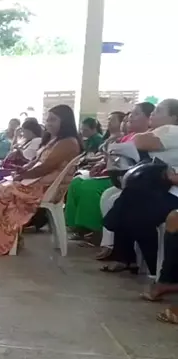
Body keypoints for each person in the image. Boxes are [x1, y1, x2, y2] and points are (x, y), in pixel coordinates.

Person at [0, 104, 82, 256]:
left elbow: (45, 167)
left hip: (44, 188)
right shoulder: (55, 140)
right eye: (48, 119)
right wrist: (22, 171)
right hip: (37, 182)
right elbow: (36, 161)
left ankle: (4, 242)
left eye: (53, 120)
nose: (48, 123)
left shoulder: (68, 143)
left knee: (0, 194)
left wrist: (23, 175)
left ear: (65, 121)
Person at [102, 99, 178, 275]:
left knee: (133, 210)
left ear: (174, 117)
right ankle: (135, 260)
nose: (153, 113)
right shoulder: (160, 131)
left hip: (171, 192)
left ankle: (154, 267)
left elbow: (139, 142)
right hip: (158, 187)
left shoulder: (172, 131)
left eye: (159, 111)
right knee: (130, 197)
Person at [97, 103, 156, 262]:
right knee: (108, 196)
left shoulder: (152, 137)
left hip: (146, 184)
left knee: (119, 200)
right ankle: (110, 245)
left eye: (135, 114)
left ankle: (124, 255)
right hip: (129, 179)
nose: (130, 118)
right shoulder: (133, 137)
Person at [63, 112, 125, 244]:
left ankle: (95, 229)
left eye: (112, 120)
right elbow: (104, 156)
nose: (108, 122)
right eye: (108, 119)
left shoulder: (126, 138)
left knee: (89, 187)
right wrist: (99, 163)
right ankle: (77, 225)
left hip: (116, 175)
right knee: (76, 182)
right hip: (104, 169)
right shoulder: (109, 137)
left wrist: (99, 161)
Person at [0, 118, 44, 214]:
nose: (23, 133)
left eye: (25, 131)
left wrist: (18, 150)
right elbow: (12, 149)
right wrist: (16, 138)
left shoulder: (37, 141)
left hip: (21, 168)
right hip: (14, 166)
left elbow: (28, 156)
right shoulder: (26, 140)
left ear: (30, 131)